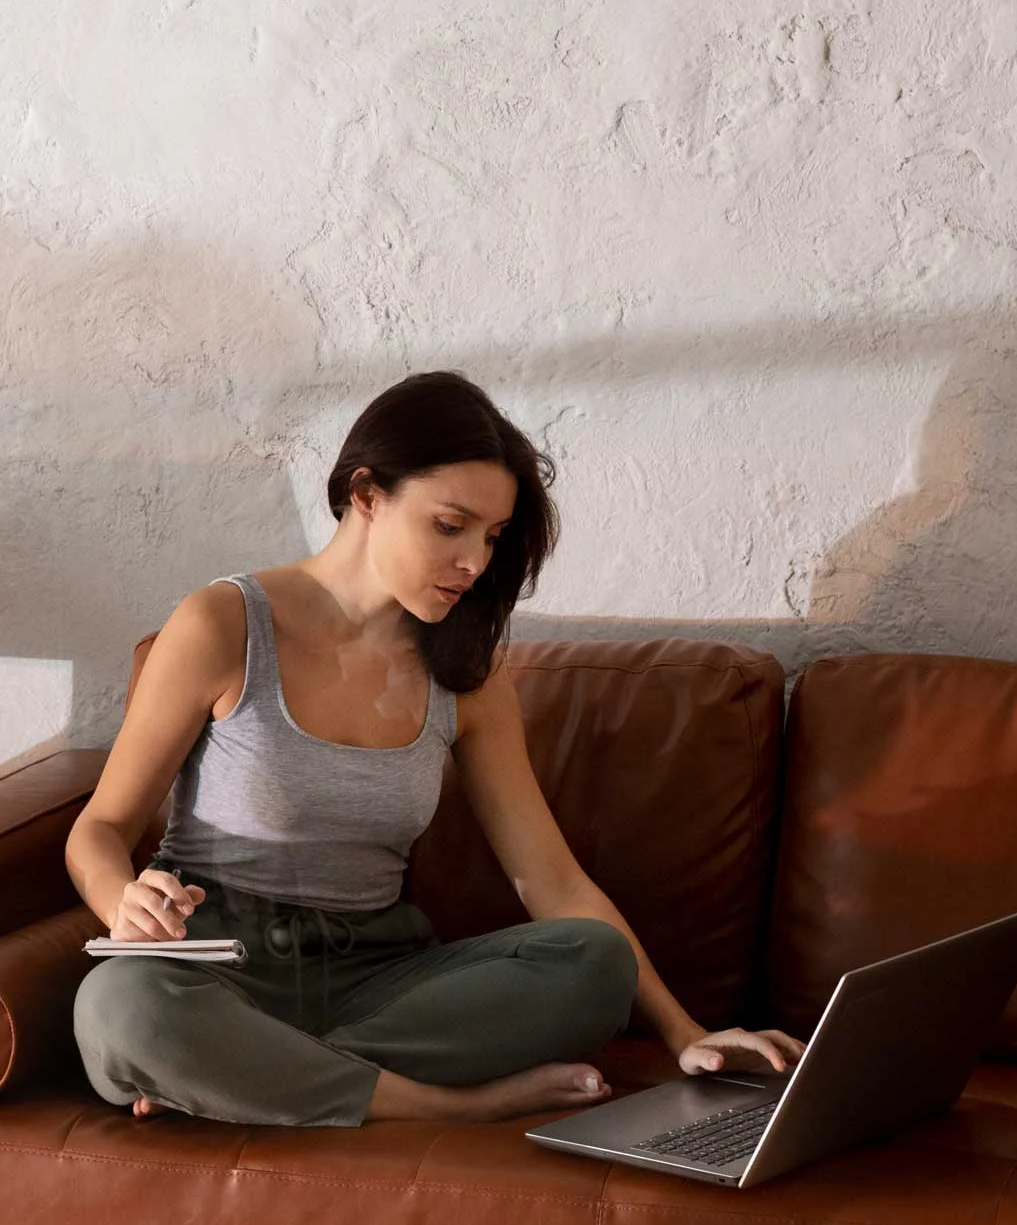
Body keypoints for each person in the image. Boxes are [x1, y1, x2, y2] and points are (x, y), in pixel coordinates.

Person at [66, 370, 806, 1126]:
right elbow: (100, 829)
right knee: (122, 1009)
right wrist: (123, 901)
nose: (475, 563)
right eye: (450, 526)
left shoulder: (465, 673)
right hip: (219, 963)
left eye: (492, 537)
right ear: (366, 494)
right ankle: (445, 1106)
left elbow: (552, 881)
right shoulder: (223, 624)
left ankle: (246, 1076)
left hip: (378, 978)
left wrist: (687, 1034)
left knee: (594, 962)